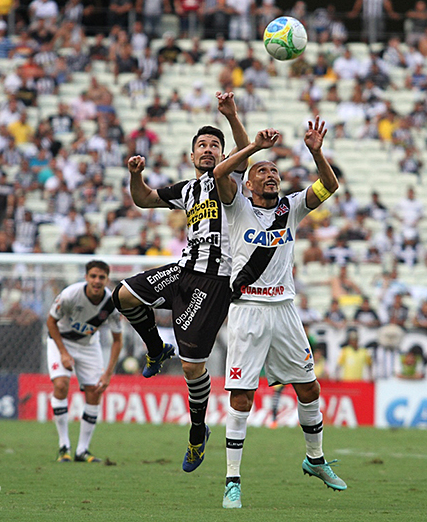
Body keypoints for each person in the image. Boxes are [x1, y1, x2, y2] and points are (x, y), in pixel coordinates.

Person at [112, 92, 249, 473]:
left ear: (223, 155)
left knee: (192, 369)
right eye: (202, 146)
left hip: (215, 281)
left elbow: (245, 152)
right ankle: (156, 350)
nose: (208, 150)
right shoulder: (187, 190)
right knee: (123, 296)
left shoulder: (231, 182)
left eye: (214, 146)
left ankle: (197, 430)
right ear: (191, 156)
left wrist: (232, 116)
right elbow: (143, 200)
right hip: (183, 270)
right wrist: (135, 175)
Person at [211, 119, 346, 508]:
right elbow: (220, 172)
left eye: (274, 171)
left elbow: (330, 186)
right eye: (262, 172)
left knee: (309, 388)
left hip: (284, 309)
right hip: (249, 309)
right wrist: (253, 147)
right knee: (241, 396)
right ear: (248, 183)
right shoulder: (235, 207)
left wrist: (316, 151)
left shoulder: (292, 208)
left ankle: (315, 459)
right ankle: (232, 481)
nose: (271, 175)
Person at [46, 260, 123, 464]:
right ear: (86, 277)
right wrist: (63, 353)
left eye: (101, 277)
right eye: (93, 276)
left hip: (89, 345)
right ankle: (64, 447)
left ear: (107, 280)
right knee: (61, 385)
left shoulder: (112, 305)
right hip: (60, 341)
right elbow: (50, 322)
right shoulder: (70, 295)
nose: (97, 281)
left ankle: (82, 450)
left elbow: (117, 341)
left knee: (95, 392)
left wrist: (108, 374)